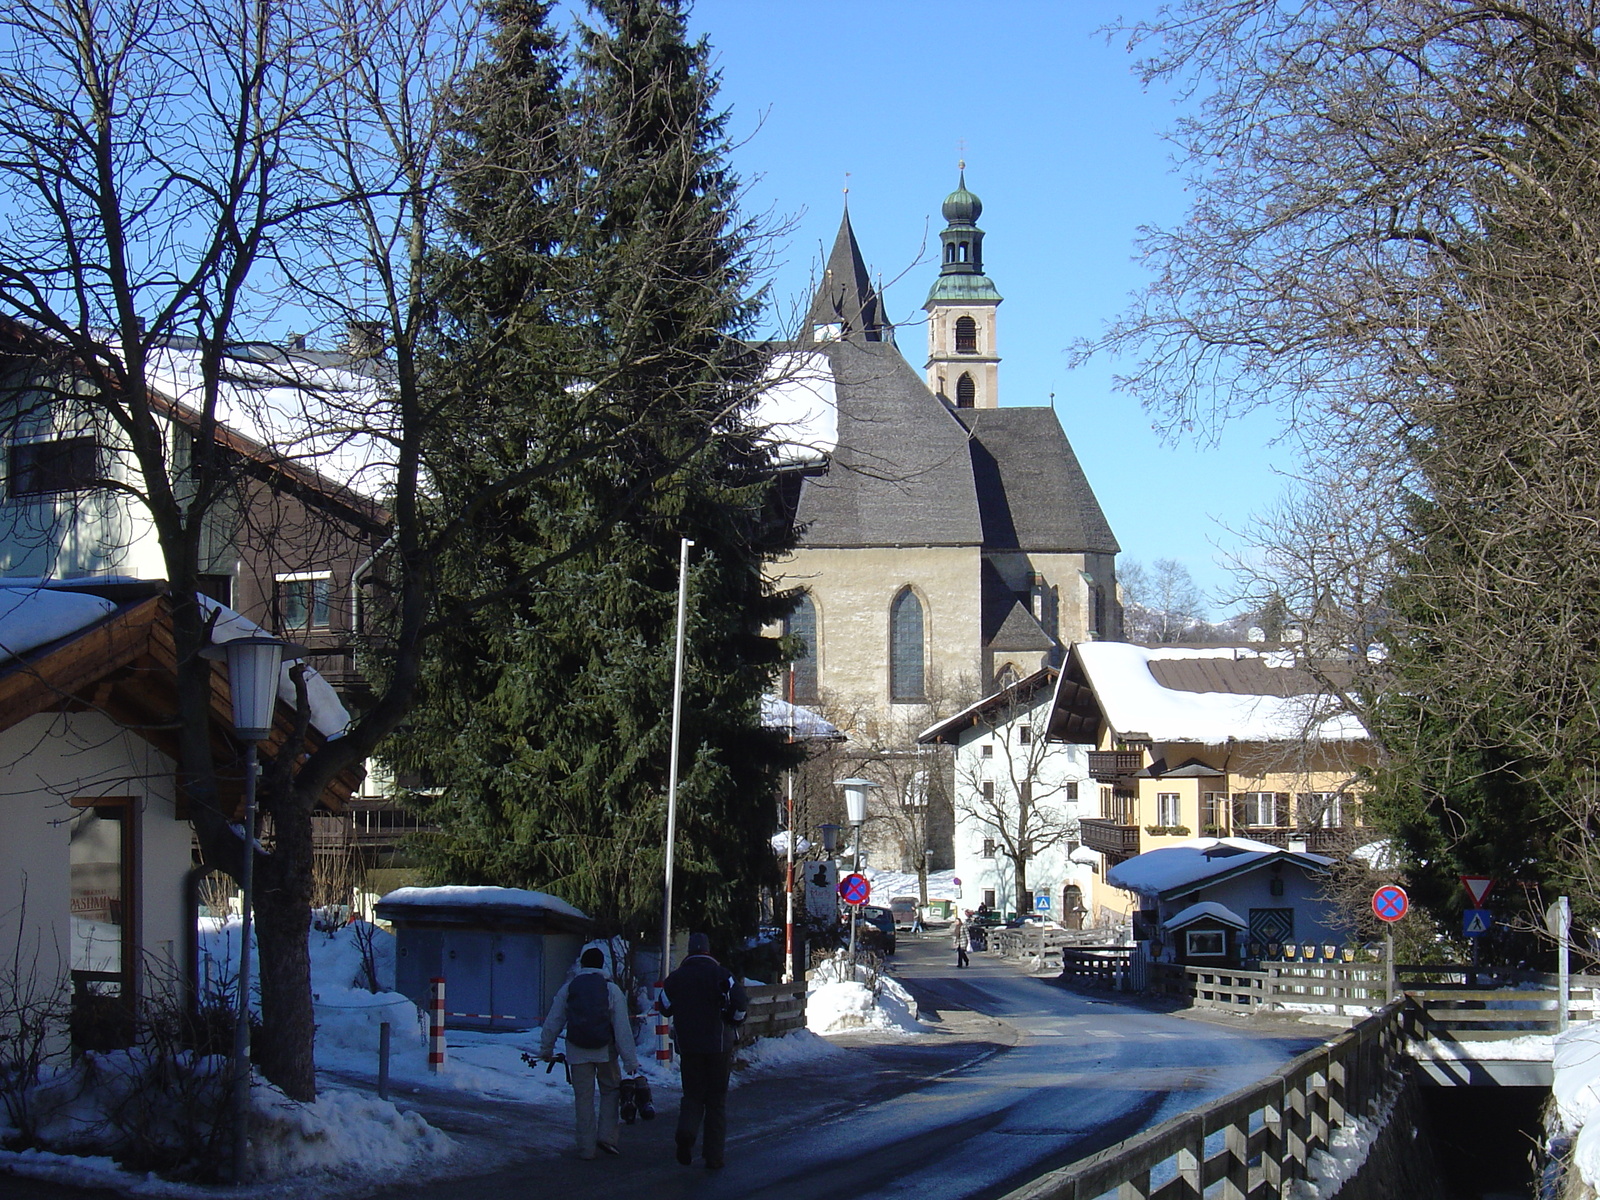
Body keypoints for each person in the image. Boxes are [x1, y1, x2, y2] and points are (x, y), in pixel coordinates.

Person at [539, 946, 641, 1160]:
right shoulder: (611, 990)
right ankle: (607, 1137)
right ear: (601, 965)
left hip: (577, 1051)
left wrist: (546, 1048)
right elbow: (622, 1028)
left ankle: (586, 1147)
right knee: (610, 1091)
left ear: (583, 964)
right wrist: (630, 1061)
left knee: (583, 1098)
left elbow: (554, 1020)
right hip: (605, 1051)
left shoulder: (569, 988)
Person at [659, 932, 747, 1170]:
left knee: (693, 1095)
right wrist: (733, 1019)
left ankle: (686, 1132)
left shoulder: (677, 977)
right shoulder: (722, 975)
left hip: (689, 1047)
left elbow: (664, 1007)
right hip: (718, 1045)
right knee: (716, 1100)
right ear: (708, 950)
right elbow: (741, 1003)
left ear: (689, 951)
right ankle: (713, 1156)